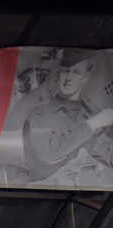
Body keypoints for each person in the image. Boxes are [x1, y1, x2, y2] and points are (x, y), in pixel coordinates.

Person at [21, 49, 113, 186]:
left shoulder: (87, 117)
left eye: (76, 72)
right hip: (41, 192)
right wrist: (94, 124)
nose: (69, 77)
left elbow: (109, 157)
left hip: (71, 193)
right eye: (65, 71)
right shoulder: (38, 114)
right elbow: (48, 154)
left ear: (85, 78)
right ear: (59, 73)